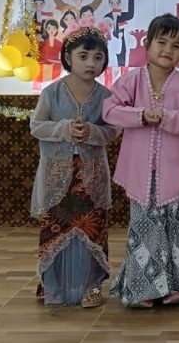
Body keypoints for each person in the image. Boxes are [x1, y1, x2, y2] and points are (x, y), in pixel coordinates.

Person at [104, 13, 179, 308]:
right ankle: (143, 291)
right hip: (140, 174)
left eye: (176, 46)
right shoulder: (131, 80)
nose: (167, 50)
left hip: (176, 174)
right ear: (147, 44)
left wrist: (168, 117)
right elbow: (109, 110)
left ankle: (176, 287)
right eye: (161, 42)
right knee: (145, 228)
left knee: (178, 228)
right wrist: (140, 115)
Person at [29, 27, 120, 307]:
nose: (91, 63)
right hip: (57, 174)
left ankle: (92, 286)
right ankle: (53, 285)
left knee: (91, 229)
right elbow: (36, 126)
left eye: (98, 57)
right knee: (56, 227)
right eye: (83, 56)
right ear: (68, 57)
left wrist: (92, 132)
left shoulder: (107, 96)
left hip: (91, 175)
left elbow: (113, 130)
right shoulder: (51, 92)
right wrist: (64, 129)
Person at [104, 0, 136, 68]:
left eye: (117, 3)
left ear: (120, 3)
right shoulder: (107, 16)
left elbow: (131, 14)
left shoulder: (123, 15)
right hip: (111, 44)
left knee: (122, 64)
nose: (114, 5)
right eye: (112, 3)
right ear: (109, 4)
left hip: (121, 42)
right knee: (111, 63)